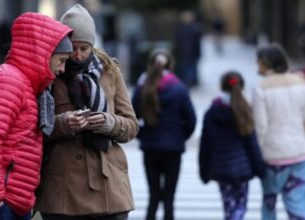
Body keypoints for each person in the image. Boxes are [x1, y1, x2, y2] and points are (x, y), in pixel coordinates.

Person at [0, 12, 73, 220]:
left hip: (10, 203)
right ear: (44, 53)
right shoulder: (7, 82)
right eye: (61, 60)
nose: (62, 69)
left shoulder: (26, 86)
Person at [35, 4, 139, 220]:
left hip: (109, 183)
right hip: (64, 188)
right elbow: (33, 128)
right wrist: (64, 124)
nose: (78, 55)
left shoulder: (110, 72)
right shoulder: (50, 73)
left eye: (84, 48)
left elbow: (131, 125)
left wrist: (109, 123)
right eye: (72, 48)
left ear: (93, 45)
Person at [252, 44, 305, 220]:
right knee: (297, 204)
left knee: (269, 203)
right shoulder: (299, 83)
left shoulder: (261, 87)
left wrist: (259, 152)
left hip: (274, 155)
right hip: (300, 152)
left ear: (266, 63)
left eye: (258, 61)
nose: (256, 65)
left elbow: (261, 126)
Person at [131, 48, 196, 220]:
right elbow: (191, 120)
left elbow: (131, 117)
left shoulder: (142, 88)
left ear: (150, 65)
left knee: (153, 197)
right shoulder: (180, 88)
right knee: (169, 198)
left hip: (150, 147)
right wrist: (180, 137)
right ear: (171, 64)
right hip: (173, 149)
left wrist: (142, 135)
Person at [199, 71, 265, 220]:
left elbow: (205, 145)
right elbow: (252, 143)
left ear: (221, 87)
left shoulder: (212, 112)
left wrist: (204, 171)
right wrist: (259, 168)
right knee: (241, 206)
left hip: (221, 168)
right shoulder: (244, 110)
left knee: (228, 205)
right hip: (242, 169)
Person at [174, 10, 202, 87]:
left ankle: (192, 81)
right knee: (187, 67)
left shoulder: (195, 27)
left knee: (191, 67)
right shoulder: (181, 28)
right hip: (184, 52)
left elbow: (197, 42)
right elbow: (177, 40)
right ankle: (189, 81)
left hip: (191, 52)